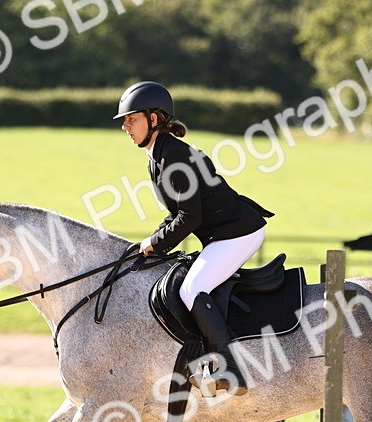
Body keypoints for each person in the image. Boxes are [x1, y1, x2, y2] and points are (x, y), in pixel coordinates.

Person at [115, 81, 274, 396]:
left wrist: (157, 243)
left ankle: (230, 371)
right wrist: (150, 241)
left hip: (239, 232)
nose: (125, 126)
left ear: (154, 119)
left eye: (131, 119)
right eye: (125, 121)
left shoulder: (174, 156)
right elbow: (176, 213)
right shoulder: (158, 156)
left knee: (192, 288)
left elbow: (190, 218)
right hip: (222, 233)